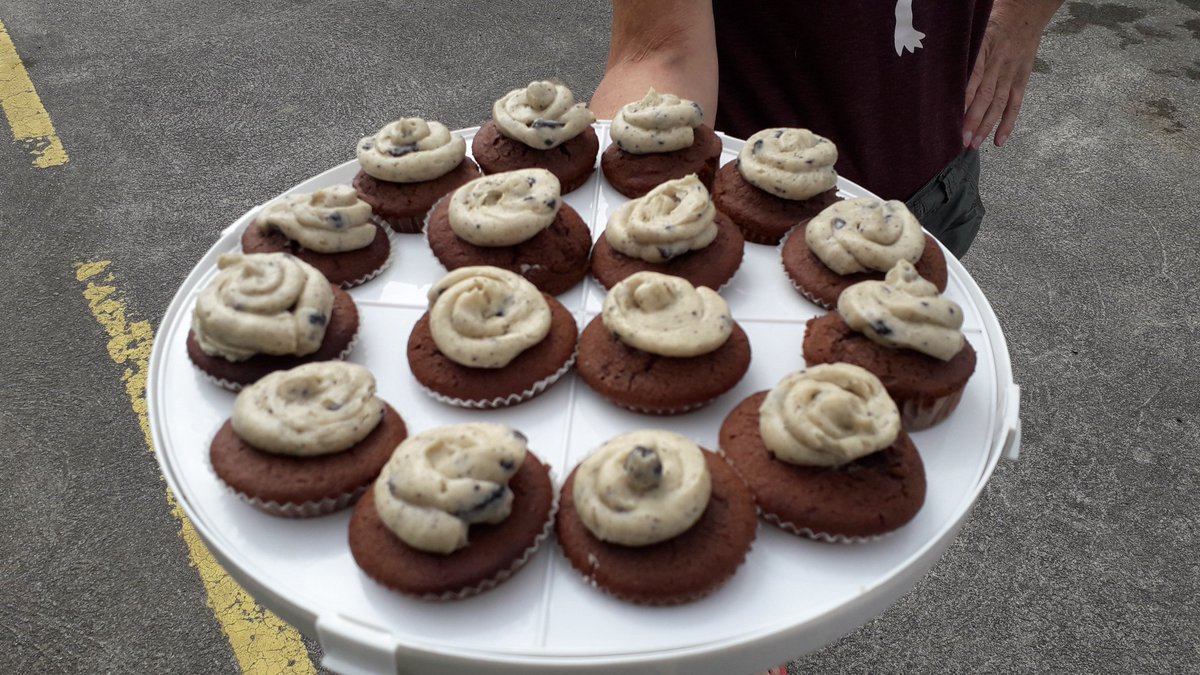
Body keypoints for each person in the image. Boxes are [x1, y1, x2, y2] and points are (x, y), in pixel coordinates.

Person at [590, 0, 1064, 259]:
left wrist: (1024, 14)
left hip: (943, 176)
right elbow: (663, 49)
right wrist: (638, 222)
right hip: (752, 213)